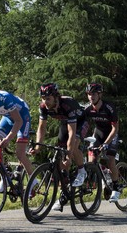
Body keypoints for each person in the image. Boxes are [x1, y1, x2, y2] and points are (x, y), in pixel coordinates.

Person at [31, 82, 87, 212]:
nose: (45, 101)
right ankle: (64, 191)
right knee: (62, 161)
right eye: (43, 98)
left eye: (48, 98)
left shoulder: (68, 105)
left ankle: (81, 170)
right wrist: (38, 146)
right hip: (65, 122)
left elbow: (72, 133)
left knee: (73, 148)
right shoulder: (43, 107)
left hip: (80, 122)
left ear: (56, 97)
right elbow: (42, 127)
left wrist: (69, 153)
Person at [80, 82, 122, 203]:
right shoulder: (88, 109)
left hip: (111, 134)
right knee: (91, 160)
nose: (91, 96)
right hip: (98, 133)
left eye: (93, 94)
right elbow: (83, 124)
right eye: (88, 94)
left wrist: (106, 143)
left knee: (109, 158)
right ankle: (101, 181)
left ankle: (115, 186)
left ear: (100, 94)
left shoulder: (109, 108)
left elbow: (115, 128)